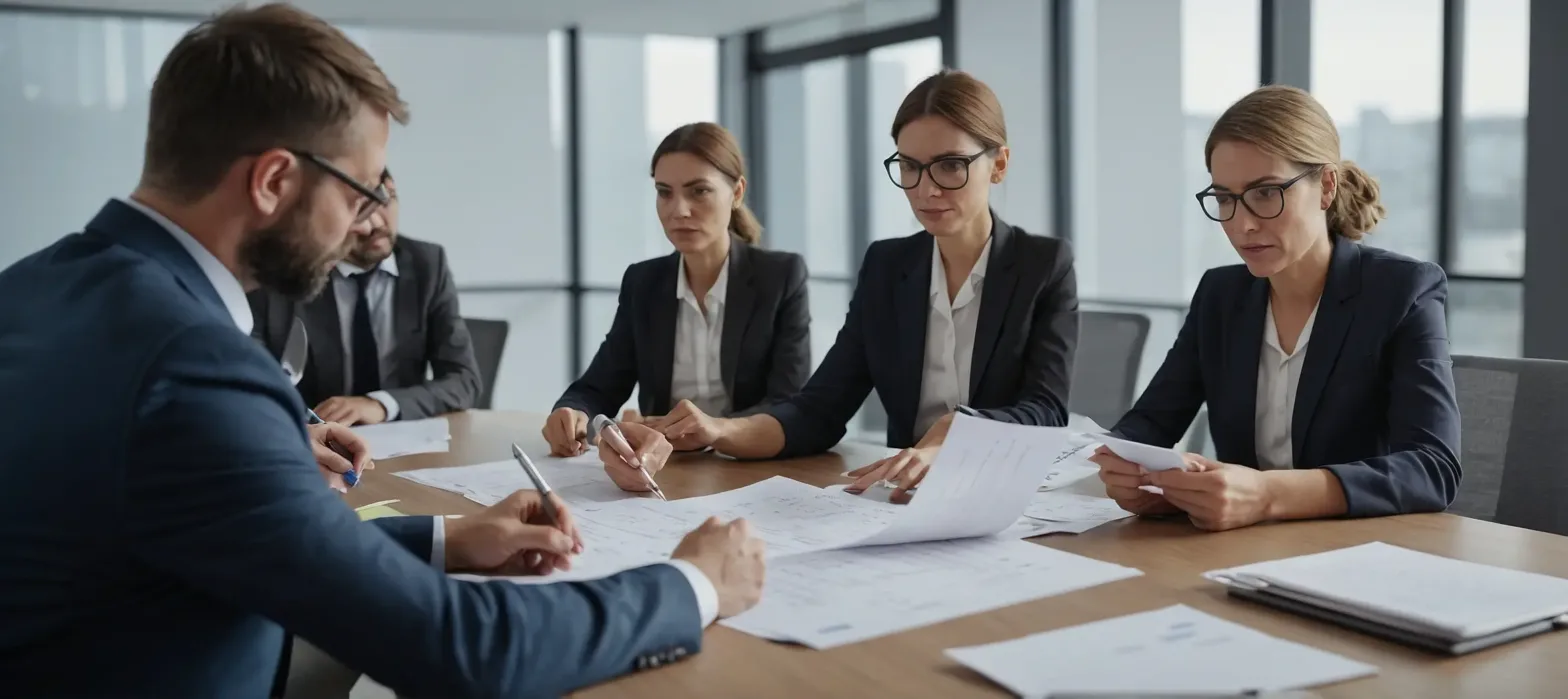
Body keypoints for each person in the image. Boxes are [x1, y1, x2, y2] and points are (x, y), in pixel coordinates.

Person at [0, 5, 764, 698]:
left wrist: (451, 536)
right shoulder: (196, 363)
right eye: (361, 191)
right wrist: (689, 581)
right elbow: (461, 648)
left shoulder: (33, 289)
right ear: (272, 180)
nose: (366, 222)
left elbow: (232, 532)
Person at [605, 70, 1079, 500]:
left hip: (1006, 496)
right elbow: (820, 408)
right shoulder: (887, 266)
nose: (926, 188)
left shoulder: (1042, 264)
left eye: (951, 165)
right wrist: (718, 430)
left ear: (997, 165)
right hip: (903, 497)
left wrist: (957, 430)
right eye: (910, 166)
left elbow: (1046, 410)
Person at [1091, 84, 1463, 531]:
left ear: (1326, 186)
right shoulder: (1220, 295)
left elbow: (1431, 468)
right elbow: (1150, 422)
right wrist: (1132, 474)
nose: (1242, 223)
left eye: (1266, 193)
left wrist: (1268, 495)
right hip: (1240, 552)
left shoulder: (1401, 290)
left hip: (1362, 548)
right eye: (1225, 198)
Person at [543, 123, 812, 479]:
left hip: (752, 469)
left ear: (737, 192)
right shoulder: (644, 283)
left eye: (698, 191)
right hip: (662, 470)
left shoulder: (779, 276)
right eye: (664, 192)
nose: (678, 210)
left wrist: (709, 430)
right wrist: (571, 412)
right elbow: (599, 386)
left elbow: (788, 402)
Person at [248, 168, 483, 425]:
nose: (378, 223)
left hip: (405, 439)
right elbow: (252, 383)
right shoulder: (287, 271)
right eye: (362, 208)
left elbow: (464, 381)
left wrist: (380, 404)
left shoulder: (427, 264)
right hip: (315, 442)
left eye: (386, 200)